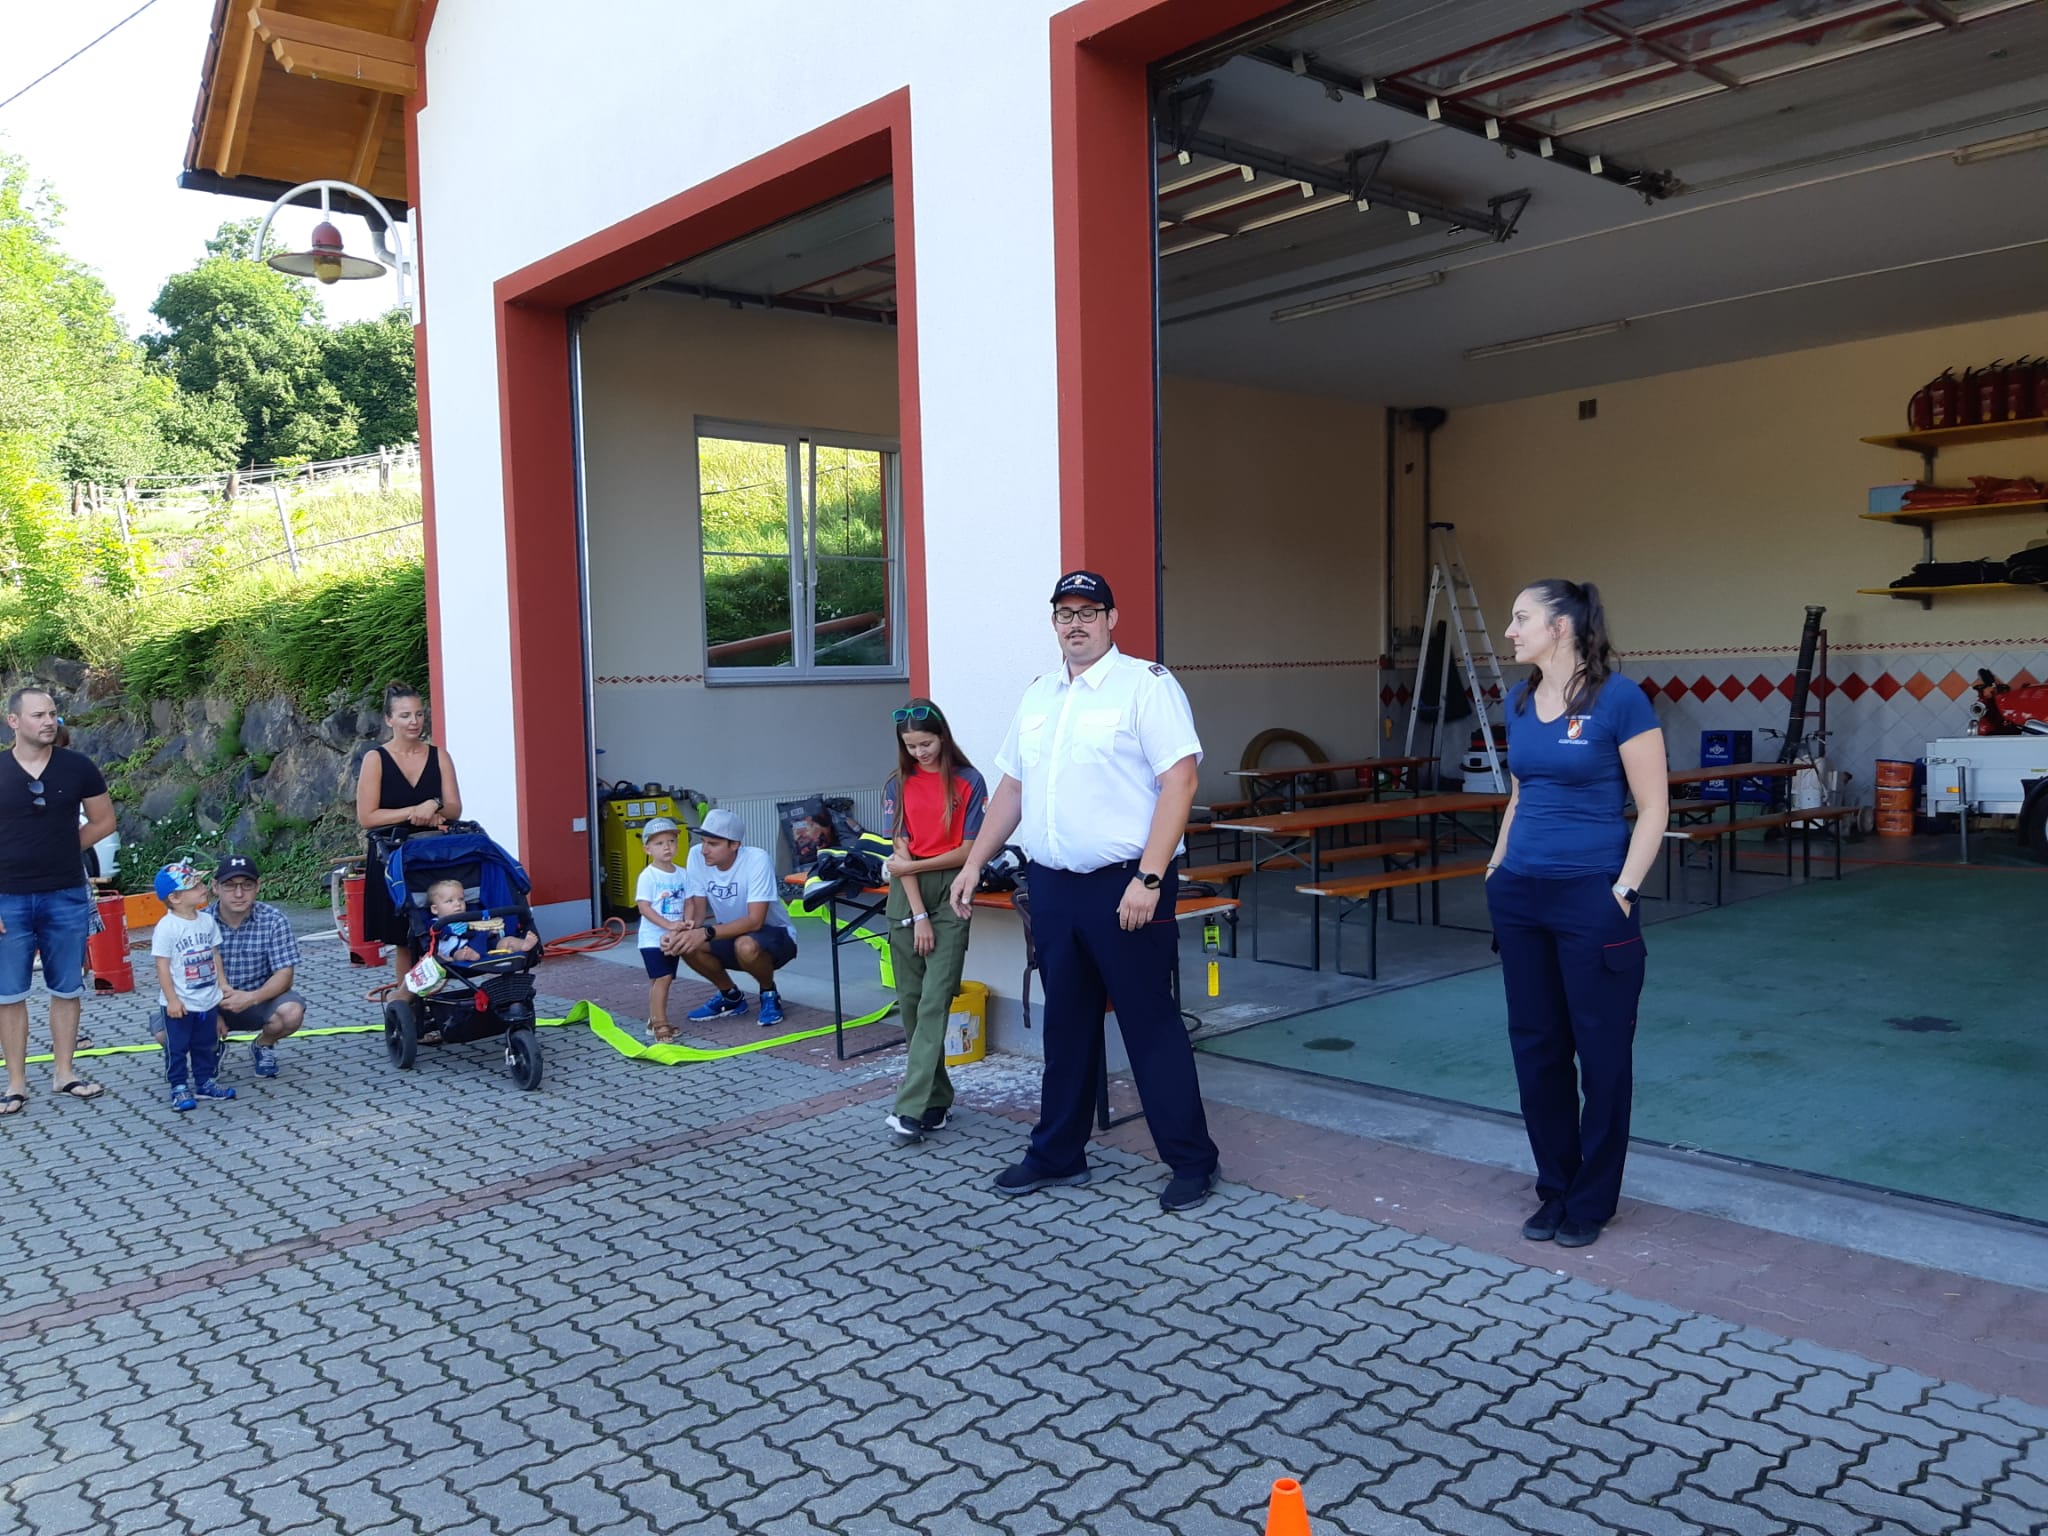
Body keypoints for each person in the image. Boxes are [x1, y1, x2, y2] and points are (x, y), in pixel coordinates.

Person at [949, 570, 1221, 1213]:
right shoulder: (1040, 694)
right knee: (1066, 1025)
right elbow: (1012, 788)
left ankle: (1192, 1162)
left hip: (1127, 885)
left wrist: (1149, 878)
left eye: (1088, 612)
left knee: (1149, 1025)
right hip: (1053, 887)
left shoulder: (1146, 686)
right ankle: (1058, 1154)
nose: (1076, 624)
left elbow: (1180, 782)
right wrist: (973, 862)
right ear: (1054, 622)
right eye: (1064, 613)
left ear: (1111, 618)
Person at [1485, 579, 1667, 1251]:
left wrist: (1623, 891)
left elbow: (1654, 806)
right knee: (1537, 1050)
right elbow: (1519, 795)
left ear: (1561, 626)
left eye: (1521, 618)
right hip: (1520, 895)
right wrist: (1496, 868)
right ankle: (1556, 1188)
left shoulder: (1620, 700)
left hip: (1592, 896)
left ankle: (1592, 1199)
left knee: (1602, 1053)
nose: (1511, 630)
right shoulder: (1519, 700)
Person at [0, 686, 115, 1112]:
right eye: (38, 715)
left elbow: (103, 821)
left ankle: (64, 1073)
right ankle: (16, 1083)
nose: (49, 721)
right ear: (14, 721)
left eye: (52, 714)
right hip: (7, 898)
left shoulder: (77, 766)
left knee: (67, 987)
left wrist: (64, 850)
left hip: (65, 894)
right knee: (8, 994)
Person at [879, 700, 986, 1147]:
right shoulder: (896, 783)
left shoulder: (969, 781)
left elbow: (968, 850)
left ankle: (909, 1108)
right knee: (909, 1003)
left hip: (952, 888)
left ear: (943, 737)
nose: (920, 752)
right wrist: (919, 913)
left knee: (934, 1000)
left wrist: (916, 871)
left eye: (926, 743)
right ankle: (937, 1101)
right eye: (911, 746)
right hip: (908, 894)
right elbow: (900, 854)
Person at [354, 681, 463, 997]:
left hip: (431, 855)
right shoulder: (376, 759)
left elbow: (454, 808)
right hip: (392, 855)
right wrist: (414, 811)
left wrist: (435, 805)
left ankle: (429, 999)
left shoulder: (439, 756)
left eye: (418, 714)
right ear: (389, 719)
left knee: (436, 930)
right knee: (404, 938)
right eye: (404, 715)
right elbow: (367, 816)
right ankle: (407, 1005)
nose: (414, 722)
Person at [663, 807, 798, 1028]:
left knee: (745, 945)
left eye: (713, 844)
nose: (704, 850)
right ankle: (730, 996)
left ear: (734, 845)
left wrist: (705, 933)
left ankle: (769, 993)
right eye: (703, 841)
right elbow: (697, 911)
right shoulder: (696, 856)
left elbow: (755, 921)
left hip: (776, 935)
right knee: (686, 944)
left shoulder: (757, 859)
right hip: (729, 933)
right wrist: (680, 931)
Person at [210, 856, 307, 1079]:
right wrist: (208, 1013)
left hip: (260, 999)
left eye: (247, 885)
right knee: (165, 1031)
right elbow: (183, 978)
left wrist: (251, 998)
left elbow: (285, 974)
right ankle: (209, 1048)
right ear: (215, 887)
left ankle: (264, 1045)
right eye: (229, 886)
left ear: (258, 886)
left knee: (291, 1013)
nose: (238, 894)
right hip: (210, 1001)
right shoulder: (198, 922)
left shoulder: (274, 920)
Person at [150, 861, 235, 1112]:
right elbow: (162, 966)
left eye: (200, 883)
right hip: (181, 1003)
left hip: (207, 999)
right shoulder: (167, 927)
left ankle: (204, 1081)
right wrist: (172, 1000)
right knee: (177, 1047)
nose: (202, 888)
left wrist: (222, 984)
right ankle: (178, 1086)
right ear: (175, 898)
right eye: (194, 886)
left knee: (205, 1043)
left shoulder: (206, 921)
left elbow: (214, 953)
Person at [634, 818, 690, 1042]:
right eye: (659, 843)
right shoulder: (648, 876)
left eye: (671, 841)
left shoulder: (682, 873)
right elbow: (644, 907)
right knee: (663, 978)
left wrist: (686, 922)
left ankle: (654, 1020)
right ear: (647, 849)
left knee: (659, 980)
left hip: (673, 937)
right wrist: (668, 925)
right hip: (652, 939)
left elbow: (689, 900)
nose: (667, 847)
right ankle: (660, 1025)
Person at [424, 878, 538, 963]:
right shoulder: (435, 923)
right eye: (450, 901)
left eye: (461, 899)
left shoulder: (468, 917)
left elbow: (478, 930)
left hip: (484, 945)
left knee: (506, 941)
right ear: (435, 909)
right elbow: (448, 934)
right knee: (460, 954)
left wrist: (489, 931)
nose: (458, 904)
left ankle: (523, 945)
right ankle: (471, 955)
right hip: (458, 950)